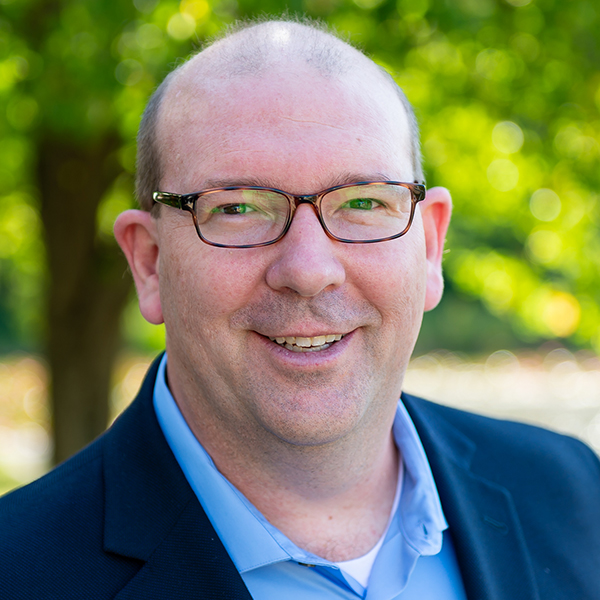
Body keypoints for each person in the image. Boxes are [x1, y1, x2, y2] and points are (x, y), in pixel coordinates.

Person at [1, 18, 599, 600]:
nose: (309, 271)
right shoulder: (19, 572)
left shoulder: (572, 494)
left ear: (429, 246)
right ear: (150, 263)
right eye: (237, 209)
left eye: (363, 202)